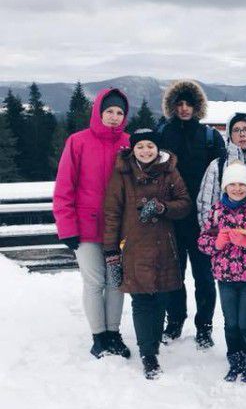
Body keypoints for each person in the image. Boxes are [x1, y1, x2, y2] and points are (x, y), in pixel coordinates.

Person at [102, 129, 191, 379]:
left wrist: (163, 207)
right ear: (133, 149)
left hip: (164, 245)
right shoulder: (123, 173)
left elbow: (185, 203)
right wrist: (110, 250)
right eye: (140, 146)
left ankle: (154, 343)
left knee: (161, 297)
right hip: (134, 245)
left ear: (157, 148)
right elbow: (112, 212)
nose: (145, 151)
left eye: (150, 146)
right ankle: (148, 353)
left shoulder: (169, 170)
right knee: (141, 300)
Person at [53, 88, 132, 359]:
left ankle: (113, 333)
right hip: (85, 228)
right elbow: (64, 187)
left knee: (115, 282)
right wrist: (67, 228)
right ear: (99, 112)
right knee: (95, 281)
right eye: (109, 111)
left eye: (119, 112)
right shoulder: (78, 142)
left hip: (118, 229)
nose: (113, 116)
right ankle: (99, 336)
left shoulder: (129, 143)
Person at [195, 112, 246, 348]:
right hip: (226, 252)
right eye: (236, 130)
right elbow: (206, 203)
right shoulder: (218, 164)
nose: (242, 134)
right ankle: (238, 351)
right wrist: (214, 240)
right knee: (232, 311)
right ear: (229, 135)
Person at [157, 80, 227, 346]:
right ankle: (174, 322)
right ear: (172, 107)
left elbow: (224, 177)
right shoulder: (162, 133)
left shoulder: (210, 137)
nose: (184, 108)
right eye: (179, 104)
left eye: (189, 104)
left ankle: (204, 326)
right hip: (172, 217)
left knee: (204, 277)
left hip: (203, 220)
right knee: (173, 274)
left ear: (197, 106)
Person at [197, 162, 246, 383]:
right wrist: (217, 243)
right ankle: (235, 363)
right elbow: (203, 242)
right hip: (225, 277)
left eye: (242, 184)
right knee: (231, 324)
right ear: (224, 187)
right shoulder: (216, 211)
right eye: (232, 184)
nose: (237, 188)